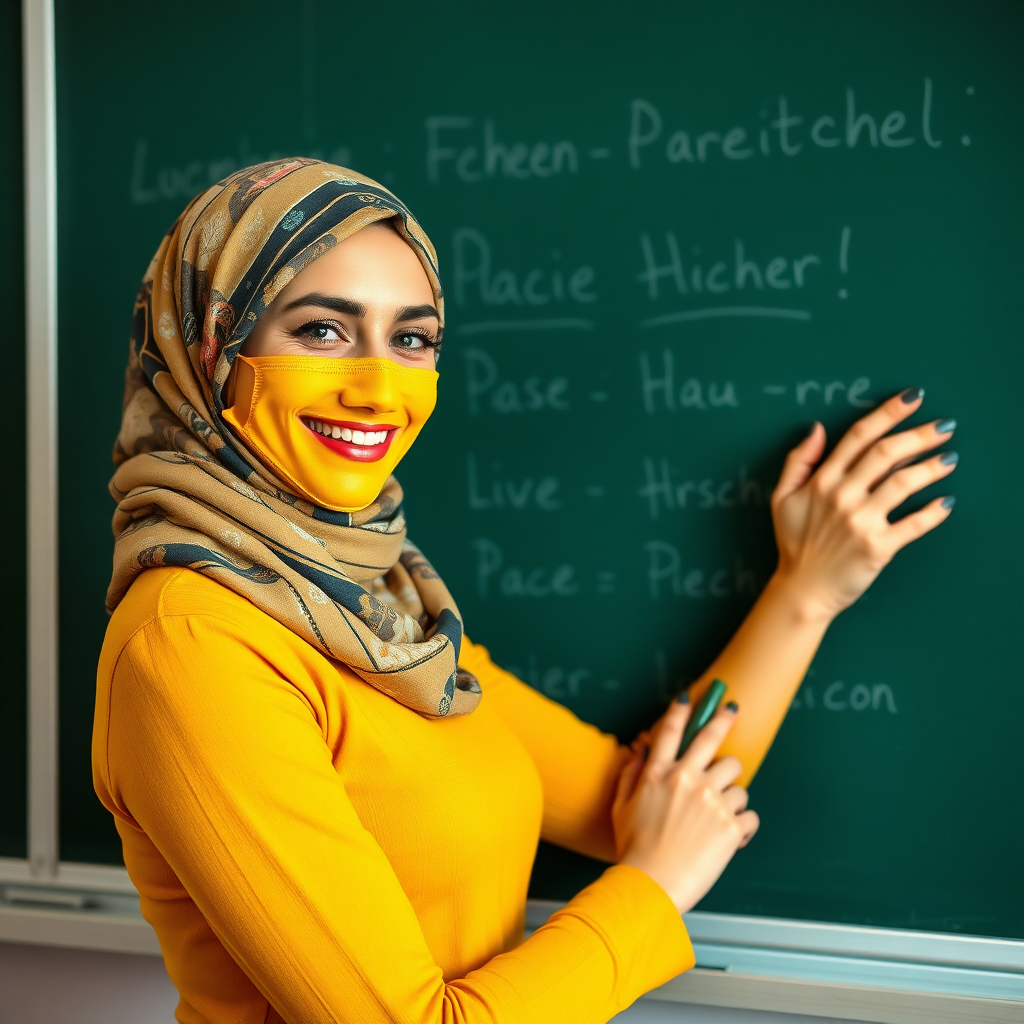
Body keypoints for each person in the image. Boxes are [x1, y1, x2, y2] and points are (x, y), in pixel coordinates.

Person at [92, 159, 956, 1024]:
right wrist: (649, 890)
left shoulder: (375, 596)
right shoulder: (191, 644)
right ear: (212, 345)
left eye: (414, 339)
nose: (378, 387)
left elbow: (645, 799)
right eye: (322, 331)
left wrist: (805, 593)